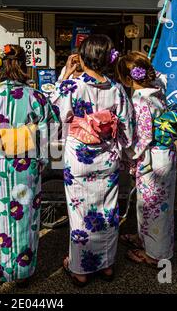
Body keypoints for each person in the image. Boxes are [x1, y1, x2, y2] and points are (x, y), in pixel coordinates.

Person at [0, 44, 58, 287]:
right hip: (26, 165)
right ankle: (23, 271)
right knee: (25, 219)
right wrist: (42, 158)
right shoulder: (36, 96)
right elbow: (50, 128)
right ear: (24, 65)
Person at [51, 35, 134, 286]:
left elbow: (57, 112)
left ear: (83, 57)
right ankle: (106, 265)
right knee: (108, 210)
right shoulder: (117, 88)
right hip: (107, 156)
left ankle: (80, 269)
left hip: (80, 157)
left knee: (80, 212)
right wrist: (125, 150)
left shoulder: (73, 86)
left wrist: (66, 73)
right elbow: (127, 129)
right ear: (108, 58)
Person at [116, 51, 177, 267]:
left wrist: (127, 155)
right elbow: (160, 74)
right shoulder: (158, 87)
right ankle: (144, 239)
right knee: (152, 204)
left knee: (154, 207)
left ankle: (156, 255)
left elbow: (142, 138)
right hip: (165, 153)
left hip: (152, 157)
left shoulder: (141, 100)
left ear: (127, 78)